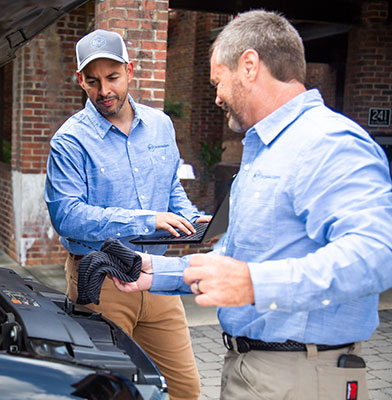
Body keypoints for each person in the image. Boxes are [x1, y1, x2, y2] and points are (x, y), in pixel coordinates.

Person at [113, 10, 392, 400]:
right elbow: (235, 258)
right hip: (251, 369)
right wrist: (153, 271)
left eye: (217, 81)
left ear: (248, 66)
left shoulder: (329, 143)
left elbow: (377, 255)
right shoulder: (263, 152)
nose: (216, 96)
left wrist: (254, 284)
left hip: (301, 378)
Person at [44, 29, 211, 400]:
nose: (104, 90)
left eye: (112, 77)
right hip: (101, 281)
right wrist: (146, 219)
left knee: (186, 390)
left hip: (158, 279)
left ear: (130, 71)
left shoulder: (160, 125)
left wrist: (192, 221)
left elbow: (170, 188)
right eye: (93, 81)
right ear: (80, 81)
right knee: (105, 393)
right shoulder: (70, 140)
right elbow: (67, 216)